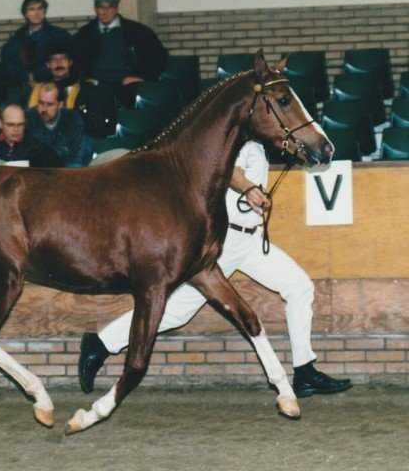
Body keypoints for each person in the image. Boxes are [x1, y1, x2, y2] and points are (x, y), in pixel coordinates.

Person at [78, 140, 353, 398]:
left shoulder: (257, 145)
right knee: (176, 312)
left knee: (299, 287)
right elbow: (232, 172)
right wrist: (248, 188)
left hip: (251, 240)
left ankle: (304, 371)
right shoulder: (240, 143)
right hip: (227, 242)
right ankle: (100, 343)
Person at [72, 0, 168, 108]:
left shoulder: (137, 31)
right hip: (97, 85)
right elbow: (76, 62)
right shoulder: (85, 34)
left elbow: (158, 56)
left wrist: (141, 77)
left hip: (128, 84)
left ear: (117, 8)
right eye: (101, 7)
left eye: (109, 7)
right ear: (95, 9)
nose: (105, 11)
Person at [28, 40, 118, 138]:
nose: (59, 63)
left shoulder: (87, 90)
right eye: (53, 59)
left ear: (70, 62)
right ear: (47, 64)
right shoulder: (37, 90)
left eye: (63, 58)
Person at [0, 0, 71, 89]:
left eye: (40, 8)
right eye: (31, 9)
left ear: (44, 11)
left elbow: (67, 63)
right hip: (24, 87)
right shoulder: (18, 37)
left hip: (55, 87)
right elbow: (8, 62)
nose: (36, 13)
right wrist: (27, 77)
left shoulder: (59, 35)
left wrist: (36, 75)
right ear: (25, 14)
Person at [26, 82, 91, 167]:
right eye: (41, 103)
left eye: (50, 104)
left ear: (60, 104)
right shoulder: (28, 117)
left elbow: (77, 157)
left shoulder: (72, 119)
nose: (44, 109)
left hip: (64, 171)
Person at [0, 103, 64, 168]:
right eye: (10, 125)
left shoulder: (41, 152)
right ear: (0, 124)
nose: (16, 130)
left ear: (25, 123)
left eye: (20, 124)